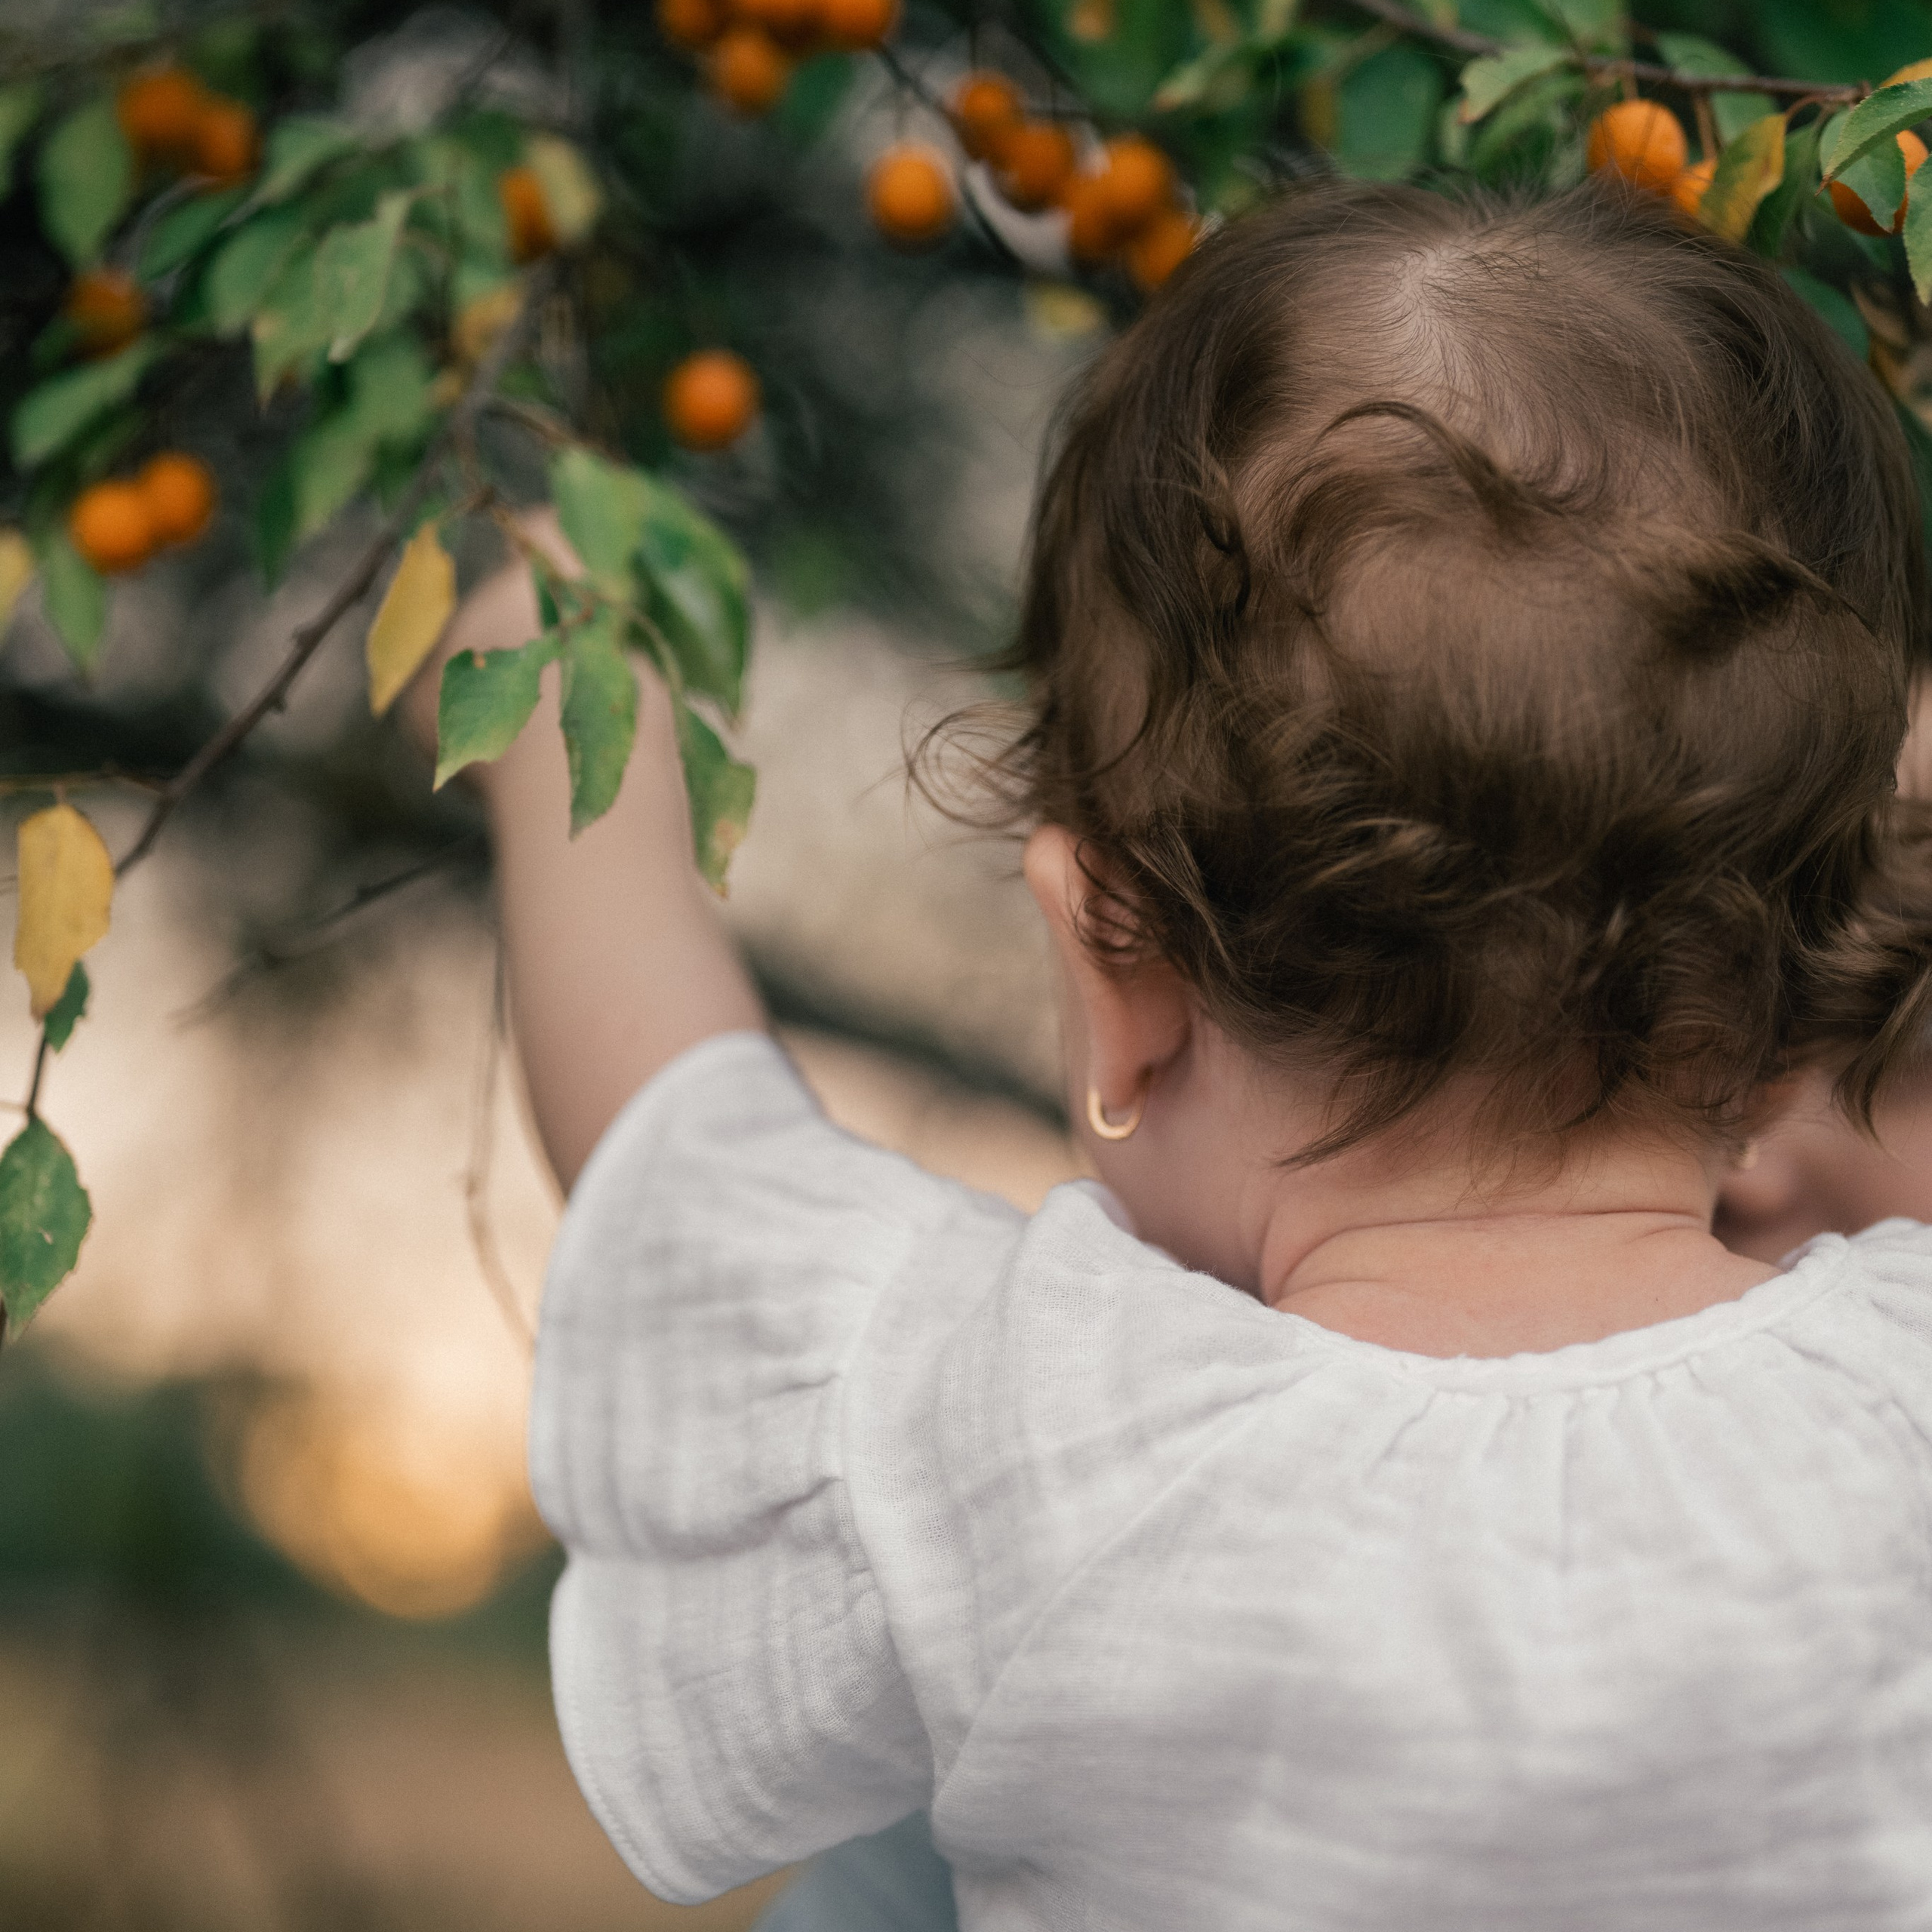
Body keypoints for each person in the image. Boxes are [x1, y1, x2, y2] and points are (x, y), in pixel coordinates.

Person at [428, 180, 1932, 1927]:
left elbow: (670, 1150)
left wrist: (554, 714)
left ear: (1115, 967)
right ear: (1797, 992)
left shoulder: (1027, 1441)